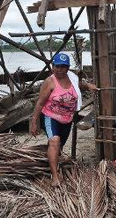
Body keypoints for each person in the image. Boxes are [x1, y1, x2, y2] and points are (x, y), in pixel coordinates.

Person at [30, 52, 96, 187]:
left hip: (67, 119)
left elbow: (80, 85)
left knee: (58, 146)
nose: (59, 70)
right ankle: (55, 177)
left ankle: (51, 162)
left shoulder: (72, 78)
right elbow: (40, 103)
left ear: (68, 68)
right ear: (53, 66)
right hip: (50, 117)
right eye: (57, 66)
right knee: (55, 141)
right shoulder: (50, 82)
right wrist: (34, 122)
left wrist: (89, 86)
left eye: (63, 67)